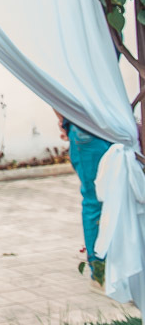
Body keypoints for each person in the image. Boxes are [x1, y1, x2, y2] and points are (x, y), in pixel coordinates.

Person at [55, 111, 113, 287]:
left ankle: (103, 273)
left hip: (90, 127)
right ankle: (101, 273)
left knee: (100, 200)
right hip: (102, 126)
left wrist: (64, 120)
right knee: (97, 199)